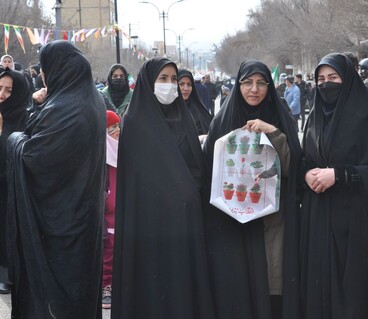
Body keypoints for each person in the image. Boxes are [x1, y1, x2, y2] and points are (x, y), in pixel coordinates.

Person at [6, 40, 105, 318]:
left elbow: (33, 157)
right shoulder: (87, 99)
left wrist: (14, 139)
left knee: (57, 296)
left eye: (45, 70)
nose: (42, 76)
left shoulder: (67, 109)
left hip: (60, 226)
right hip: (81, 216)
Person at [111, 58, 215, 319]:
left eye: (173, 79)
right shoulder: (135, 123)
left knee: (183, 285)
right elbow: (137, 180)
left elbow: (198, 166)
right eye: (163, 79)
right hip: (150, 225)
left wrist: (189, 190)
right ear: (148, 83)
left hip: (186, 222)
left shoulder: (186, 118)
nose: (170, 85)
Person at [203, 59, 302, 319]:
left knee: (270, 286)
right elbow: (208, 172)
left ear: (270, 87)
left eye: (261, 83)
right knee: (238, 286)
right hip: (232, 221)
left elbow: (295, 167)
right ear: (238, 86)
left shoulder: (281, 118)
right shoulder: (222, 122)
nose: (254, 89)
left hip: (272, 221)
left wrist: (273, 133)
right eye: (247, 83)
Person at [300, 53, 368, 319]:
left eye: (333, 78)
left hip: (356, 225)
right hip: (319, 218)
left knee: (355, 297)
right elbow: (304, 159)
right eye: (321, 79)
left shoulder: (366, 117)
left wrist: (339, 175)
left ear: (348, 79)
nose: (326, 84)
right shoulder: (314, 117)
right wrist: (307, 174)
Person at [0, 68, 30, 295]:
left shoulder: (26, 118)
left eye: (9, 90)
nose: (2, 94)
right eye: (0, 88)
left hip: (10, 189)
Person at [101, 110, 121, 310]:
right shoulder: (101, 155)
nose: (116, 132)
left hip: (122, 213)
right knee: (108, 251)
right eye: (110, 129)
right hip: (107, 215)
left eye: (117, 127)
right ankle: (106, 284)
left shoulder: (124, 150)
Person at [177, 69, 212, 143]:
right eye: (181, 84)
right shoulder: (168, 111)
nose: (186, 88)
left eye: (189, 84)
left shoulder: (198, 109)